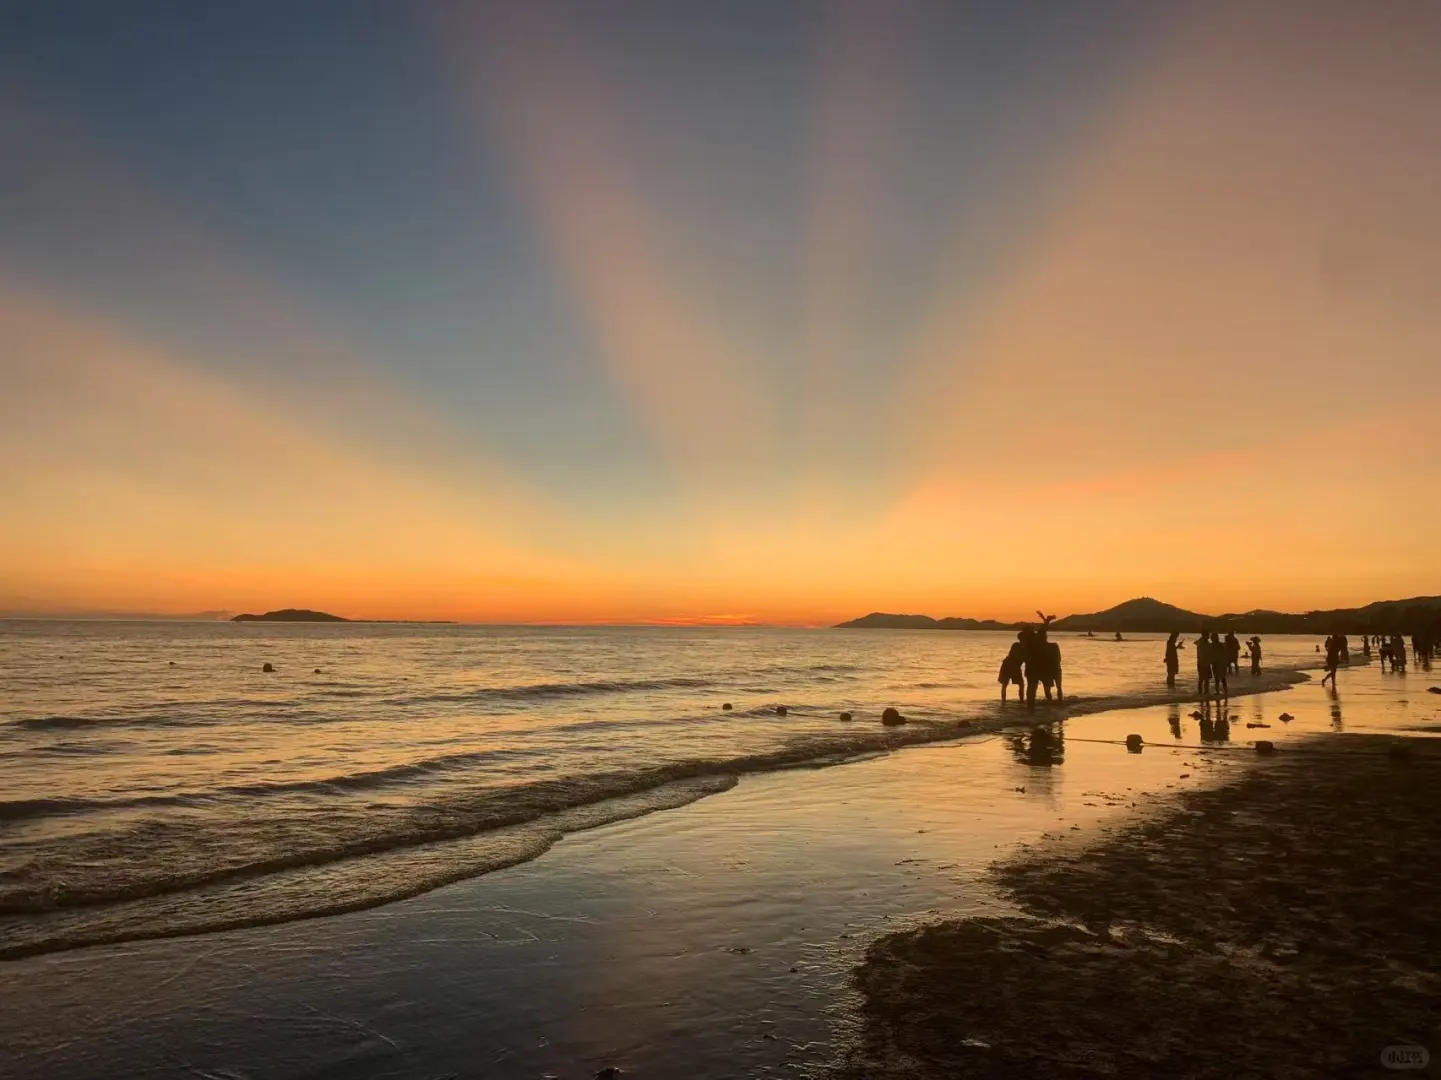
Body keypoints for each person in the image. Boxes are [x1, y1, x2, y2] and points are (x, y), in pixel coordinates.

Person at [998, 632, 1026, 703]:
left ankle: (1021, 700)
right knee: (1005, 684)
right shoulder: (1016, 645)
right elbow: (1019, 656)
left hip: (1013, 666)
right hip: (1009, 665)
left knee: (1021, 684)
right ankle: (1004, 701)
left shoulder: (1021, 646)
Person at [1209, 631, 1228, 697]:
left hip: (1218, 663)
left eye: (1212, 637)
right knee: (1221, 678)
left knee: (1219, 678)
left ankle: (1220, 692)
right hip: (1219, 663)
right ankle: (1224, 692)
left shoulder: (1213, 645)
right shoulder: (1221, 645)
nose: (1212, 639)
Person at [1195, 628, 1212, 696]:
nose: (1209, 636)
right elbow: (1206, 651)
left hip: (1202, 662)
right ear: (1205, 635)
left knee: (1202, 678)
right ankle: (1205, 692)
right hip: (1204, 662)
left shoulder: (1201, 642)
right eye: (1208, 635)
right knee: (1205, 679)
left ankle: (1201, 692)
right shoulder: (1203, 642)